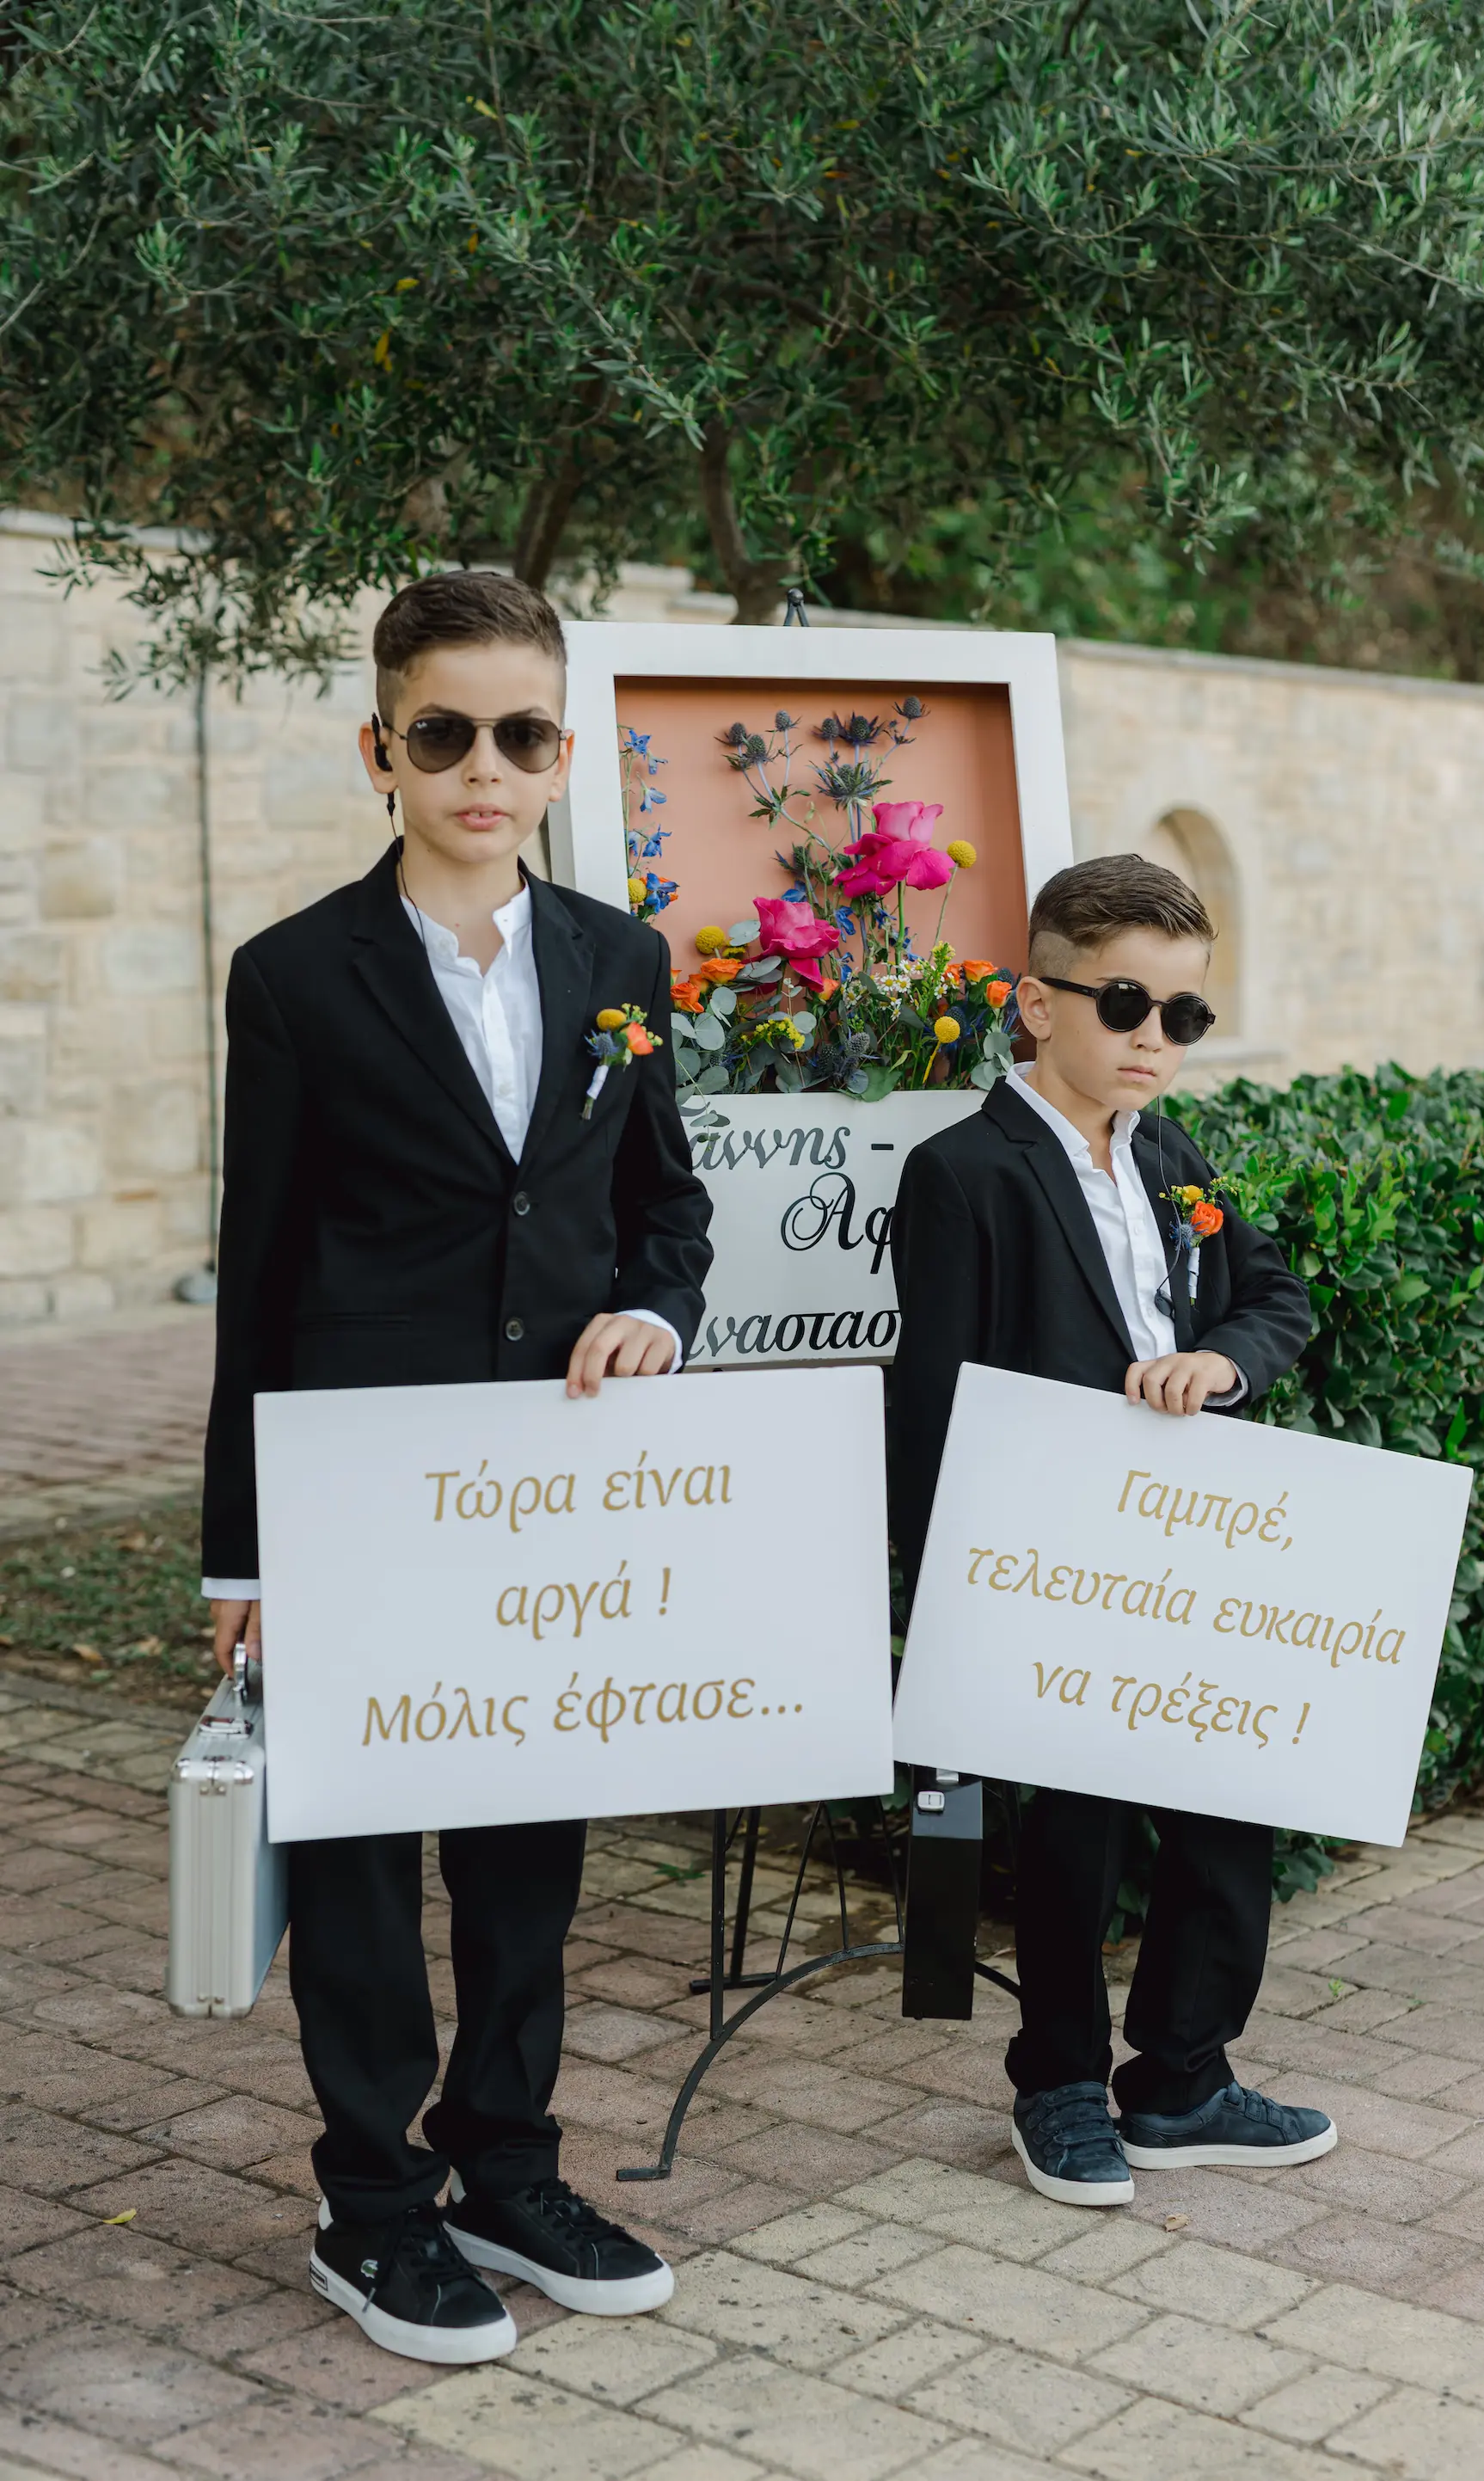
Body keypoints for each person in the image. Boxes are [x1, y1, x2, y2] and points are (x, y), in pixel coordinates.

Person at [200, 570, 713, 2360]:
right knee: (355, 1858)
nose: (484, 766)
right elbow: (257, 1276)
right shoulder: (292, 978)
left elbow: (667, 1206)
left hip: (544, 1494)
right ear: (383, 750)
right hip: (358, 1484)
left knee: (523, 1856)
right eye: (445, 733)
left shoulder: (620, 962)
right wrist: (237, 1560)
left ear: (563, 752)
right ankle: (372, 2200)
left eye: (521, 733)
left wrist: (655, 1310)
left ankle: (507, 2157)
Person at [889, 853, 1334, 2207]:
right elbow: (936, 1401)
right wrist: (948, 1602)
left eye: (1185, 1016)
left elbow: (1271, 1295)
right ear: (1038, 1003)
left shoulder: (1170, 1154)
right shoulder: (963, 1173)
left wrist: (1222, 1365)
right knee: (1074, 1821)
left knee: (1230, 1803)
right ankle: (1061, 2081)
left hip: (1189, 1548)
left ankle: (1183, 2075)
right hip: (1049, 1554)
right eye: (1128, 1006)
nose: (1156, 1041)